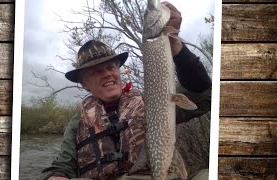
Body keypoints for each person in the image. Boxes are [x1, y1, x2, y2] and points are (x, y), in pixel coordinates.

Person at [40, 1, 211, 180]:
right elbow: (62, 167)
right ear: (84, 84)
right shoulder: (77, 123)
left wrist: (177, 48)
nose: (107, 74)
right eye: (96, 71)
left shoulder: (151, 100)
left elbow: (202, 93)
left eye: (111, 67)